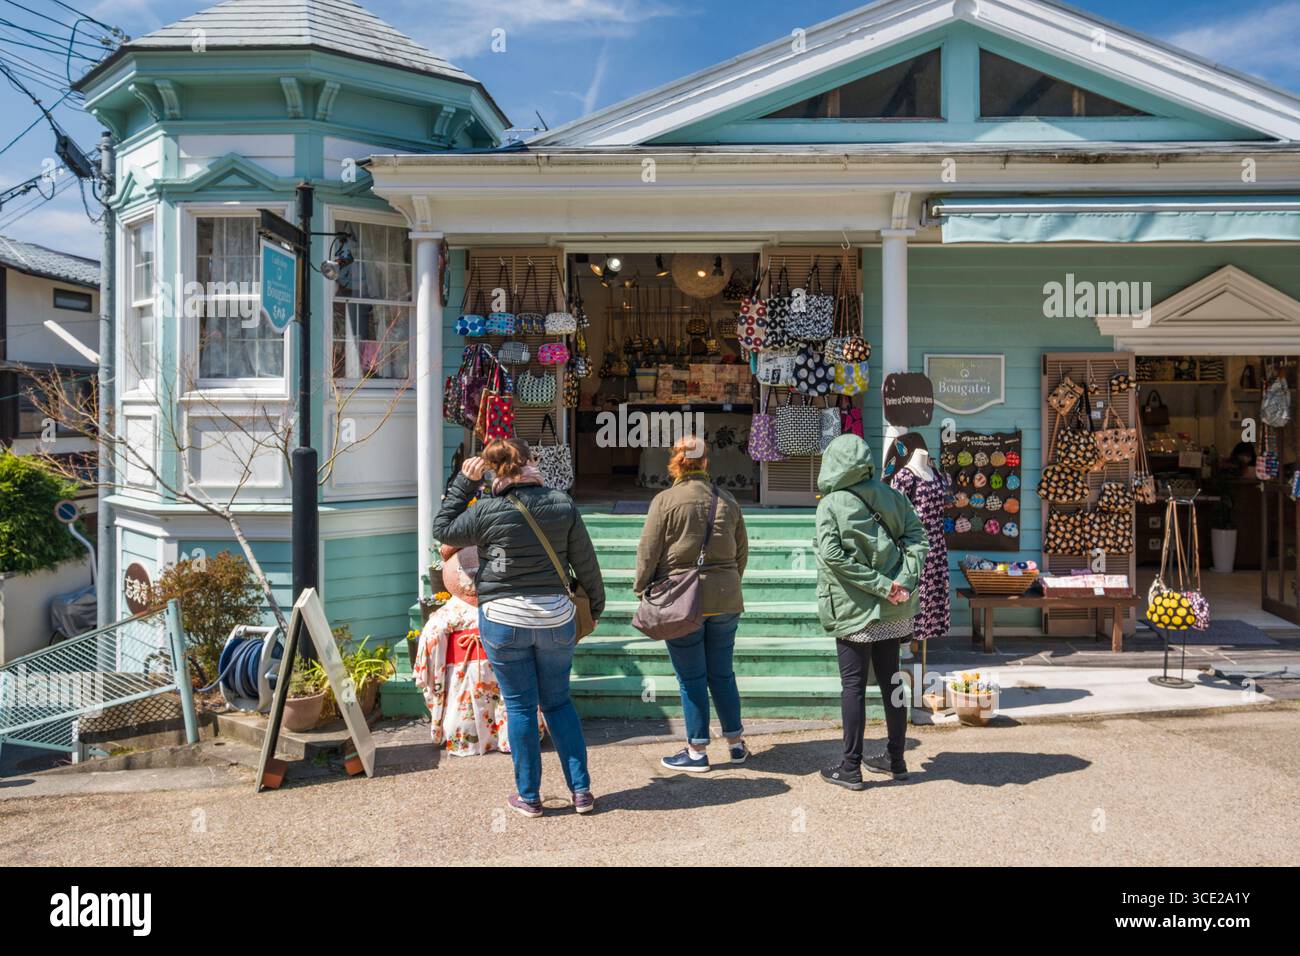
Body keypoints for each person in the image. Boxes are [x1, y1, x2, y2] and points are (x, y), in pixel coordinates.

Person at [432, 437, 606, 817]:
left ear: (494, 470)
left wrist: (464, 483)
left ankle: (530, 797)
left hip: (503, 620)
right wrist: (595, 606)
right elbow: (586, 564)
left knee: (522, 707)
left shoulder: (486, 510)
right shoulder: (561, 503)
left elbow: (443, 529)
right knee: (559, 702)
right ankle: (582, 792)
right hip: (557, 619)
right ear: (530, 461)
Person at [815, 433, 929, 791]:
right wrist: (902, 584)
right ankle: (896, 760)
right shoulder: (893, 495)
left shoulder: (830, 504)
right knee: (893, 680)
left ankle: (850, 767)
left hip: (855, 610)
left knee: (853, 687)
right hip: (895, 610)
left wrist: (882, 587)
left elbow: (833, 557)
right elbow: (917, 540)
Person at [634, 434, 750, 772]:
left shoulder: (665, 501)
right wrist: (728, 582)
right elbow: (741, 552)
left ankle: (697, 750)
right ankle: (736, 743)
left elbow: (649, 551)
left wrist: (642, 588)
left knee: (691, 678)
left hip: (683, 600)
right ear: (704, 462)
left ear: (676, 462)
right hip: (726, 596)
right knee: (723, 674)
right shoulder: (728, 499)